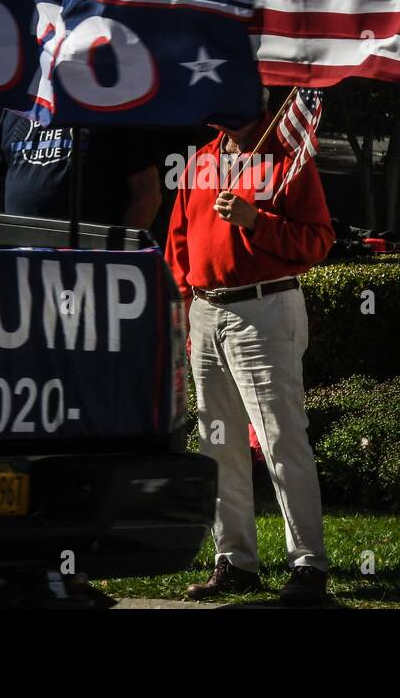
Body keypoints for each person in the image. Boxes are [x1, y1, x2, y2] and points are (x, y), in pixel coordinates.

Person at [165, 104, 334, 606]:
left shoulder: (288, 157)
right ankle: (234, 560)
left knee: (282, 437)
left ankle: (308, 567)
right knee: (218, 444)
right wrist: (184, 305)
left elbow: (319, 241)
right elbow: (179, 240)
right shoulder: (201, 162)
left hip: (266, 306)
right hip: (206, 310)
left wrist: (256, 221)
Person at [0, 109, 161, 228]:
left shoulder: (109, 108)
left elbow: (147, 195)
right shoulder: (17, 108)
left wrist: (120, 255)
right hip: (21, 263)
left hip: (89, 265)